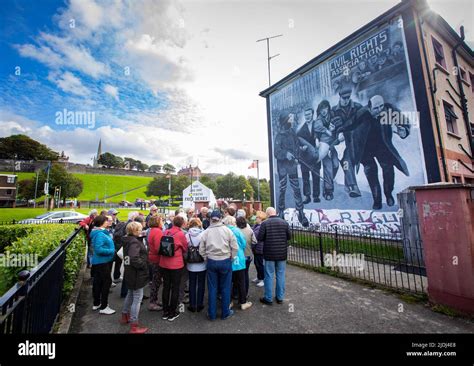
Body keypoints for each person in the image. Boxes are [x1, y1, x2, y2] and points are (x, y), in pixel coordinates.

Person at [349, 95, 410, 209]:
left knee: (388, 170)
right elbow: (349, 125)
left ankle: (388, 194)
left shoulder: (387, 111)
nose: (379, 110)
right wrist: (338, 133)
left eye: (381, 106)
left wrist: (404, 130)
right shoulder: (362, 114)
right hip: (365, 149)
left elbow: (403, 120)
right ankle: (377, 200)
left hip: (382, 146)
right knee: (371, 173)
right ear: (369, 107)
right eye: (376, 108)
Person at [199, 210, 238, 320]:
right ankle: (225, 313)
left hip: (211, 261)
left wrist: (206, 258)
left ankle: (212, 314)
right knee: (225, 287)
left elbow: (201, 249)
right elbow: (235, 247)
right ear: (220, 219)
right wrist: (232, 257)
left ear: (211, 219)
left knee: (212, 288)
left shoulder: (206, 232)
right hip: (225, 260)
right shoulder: (227, 230)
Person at [274, 113, 309, 227]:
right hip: (283, 168)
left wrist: (298, 154)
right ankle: (281, 212)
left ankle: (301, 213)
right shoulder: (279, 136)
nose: (291, 120)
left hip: (292, 167)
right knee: (282, 189)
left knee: (297, 190)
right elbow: (276, 152)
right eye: (289, 118)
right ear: (285, 121)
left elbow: (296, 145)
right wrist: (286, 154)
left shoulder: (292, 132)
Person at [332, 85, 363, 198]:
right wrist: (338, 133)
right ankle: (353, 186)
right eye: (344, 98)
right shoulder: (334, 110)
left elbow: (363, 121)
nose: (346, 100)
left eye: (348, 97)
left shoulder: (357, 107)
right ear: (339, 97)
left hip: (355, 140)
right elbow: (333, 126)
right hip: (340, 143)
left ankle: (348, 185)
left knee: (350, 161)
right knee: (346, 162)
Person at [257, 207, 291, 305]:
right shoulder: (284, 223)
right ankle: (280, 297)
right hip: (282, 253)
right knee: (280, 275)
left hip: (269, 254)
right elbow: (289, 236)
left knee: (269, 275)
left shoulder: (265, 223)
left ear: (267, 214)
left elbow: (260, 238)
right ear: (275, 213)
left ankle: (268, 298)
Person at [121, 221, 149, 333]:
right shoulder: (134, 242)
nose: (142, 231)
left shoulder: (128, 240)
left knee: (131, 294)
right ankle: (134, 325)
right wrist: (144, 264)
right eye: (140, 229)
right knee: (137, 298)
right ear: (135, 231)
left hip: (130, 272)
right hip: (136, 273)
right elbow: (134, 258)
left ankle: (124, 315)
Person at [160, 215, 188, 321]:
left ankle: (165, 311)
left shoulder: (166, 232)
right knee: (175, 287)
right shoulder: (180, 234)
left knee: (166, 287)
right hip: (176, 264)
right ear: (181, 224)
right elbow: (185, 248)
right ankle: (172, 312)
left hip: (164, 263)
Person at [314, 100, 343, 201]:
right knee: (328, 168)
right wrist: (319, 138)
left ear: (328, 108)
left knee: (336, 165)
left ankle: (328, 181)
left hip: (332, 145)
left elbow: (339, 127)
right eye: (322, 109)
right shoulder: (318, 120)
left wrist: (336, 130)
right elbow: (316, 131)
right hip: (324, 146)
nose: (323, 111)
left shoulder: (332, 115)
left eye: (325, 108)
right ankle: (328, 191)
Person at [224, 216, 252, 311]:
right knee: (241, 282)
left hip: (227, 258)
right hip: (239, 259)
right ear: (233, 222)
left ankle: (228, 302)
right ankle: (242, 302)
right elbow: (243, 243)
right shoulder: (237, 231)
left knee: (228, 282)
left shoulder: (223, 231)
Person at [90, 215, 116, 314]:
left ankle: (97, 303)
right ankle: (104, 307)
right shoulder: (100, 234)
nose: (108, 222)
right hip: (102, 261)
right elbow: (99, 249)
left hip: (99, 261)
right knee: (106, 282)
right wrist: (111, 251)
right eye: (106, 221)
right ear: (101, 222)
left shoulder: (98, 232)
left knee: (98, 282)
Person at [297, 107, 321, 204]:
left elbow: (324, 136)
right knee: (305, 178)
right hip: (305, 158)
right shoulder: (301, 130)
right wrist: (301, 148)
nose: (307, 116)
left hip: (315, 156)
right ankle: (307, 196)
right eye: (306, 115)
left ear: (312, 114)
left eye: (309, 114)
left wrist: (320, 142)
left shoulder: (318, 125)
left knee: (316, 176)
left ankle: (316, 196)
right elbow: (297, 144)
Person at [185, 218, 206, 312]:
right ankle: (200, 304)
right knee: (201, 284)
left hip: (191, 264)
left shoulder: (187, 235)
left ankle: (192, 305)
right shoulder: (203, 234)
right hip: (202, 263)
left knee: (192, 284)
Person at [236, 216, 257, 298]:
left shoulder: (235, 231)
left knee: (238, 275)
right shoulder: (250, 231)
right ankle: (245, 293)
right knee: (245, 274)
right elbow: (255, 242)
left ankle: (238, 293)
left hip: (238, 256)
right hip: (248, 255)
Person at [147, 216, 163, 311]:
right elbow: (158, 248)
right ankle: (152, 302)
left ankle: (154, 300)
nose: (162, 221)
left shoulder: (152, 230)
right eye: (161, 220)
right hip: (157, 259)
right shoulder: (157, 231)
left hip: (152, 257)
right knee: (156, 281)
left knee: (155, 281)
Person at [251, 211, 267, 287]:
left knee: (260, 265)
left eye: (257, 217)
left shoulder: (260, 227)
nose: (256, 218)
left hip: (259, 249)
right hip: (257, 249)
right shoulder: (257, 225)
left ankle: (262, 279)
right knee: (257, 264)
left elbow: (255, 237)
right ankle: (259, 277)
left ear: (260, 218)